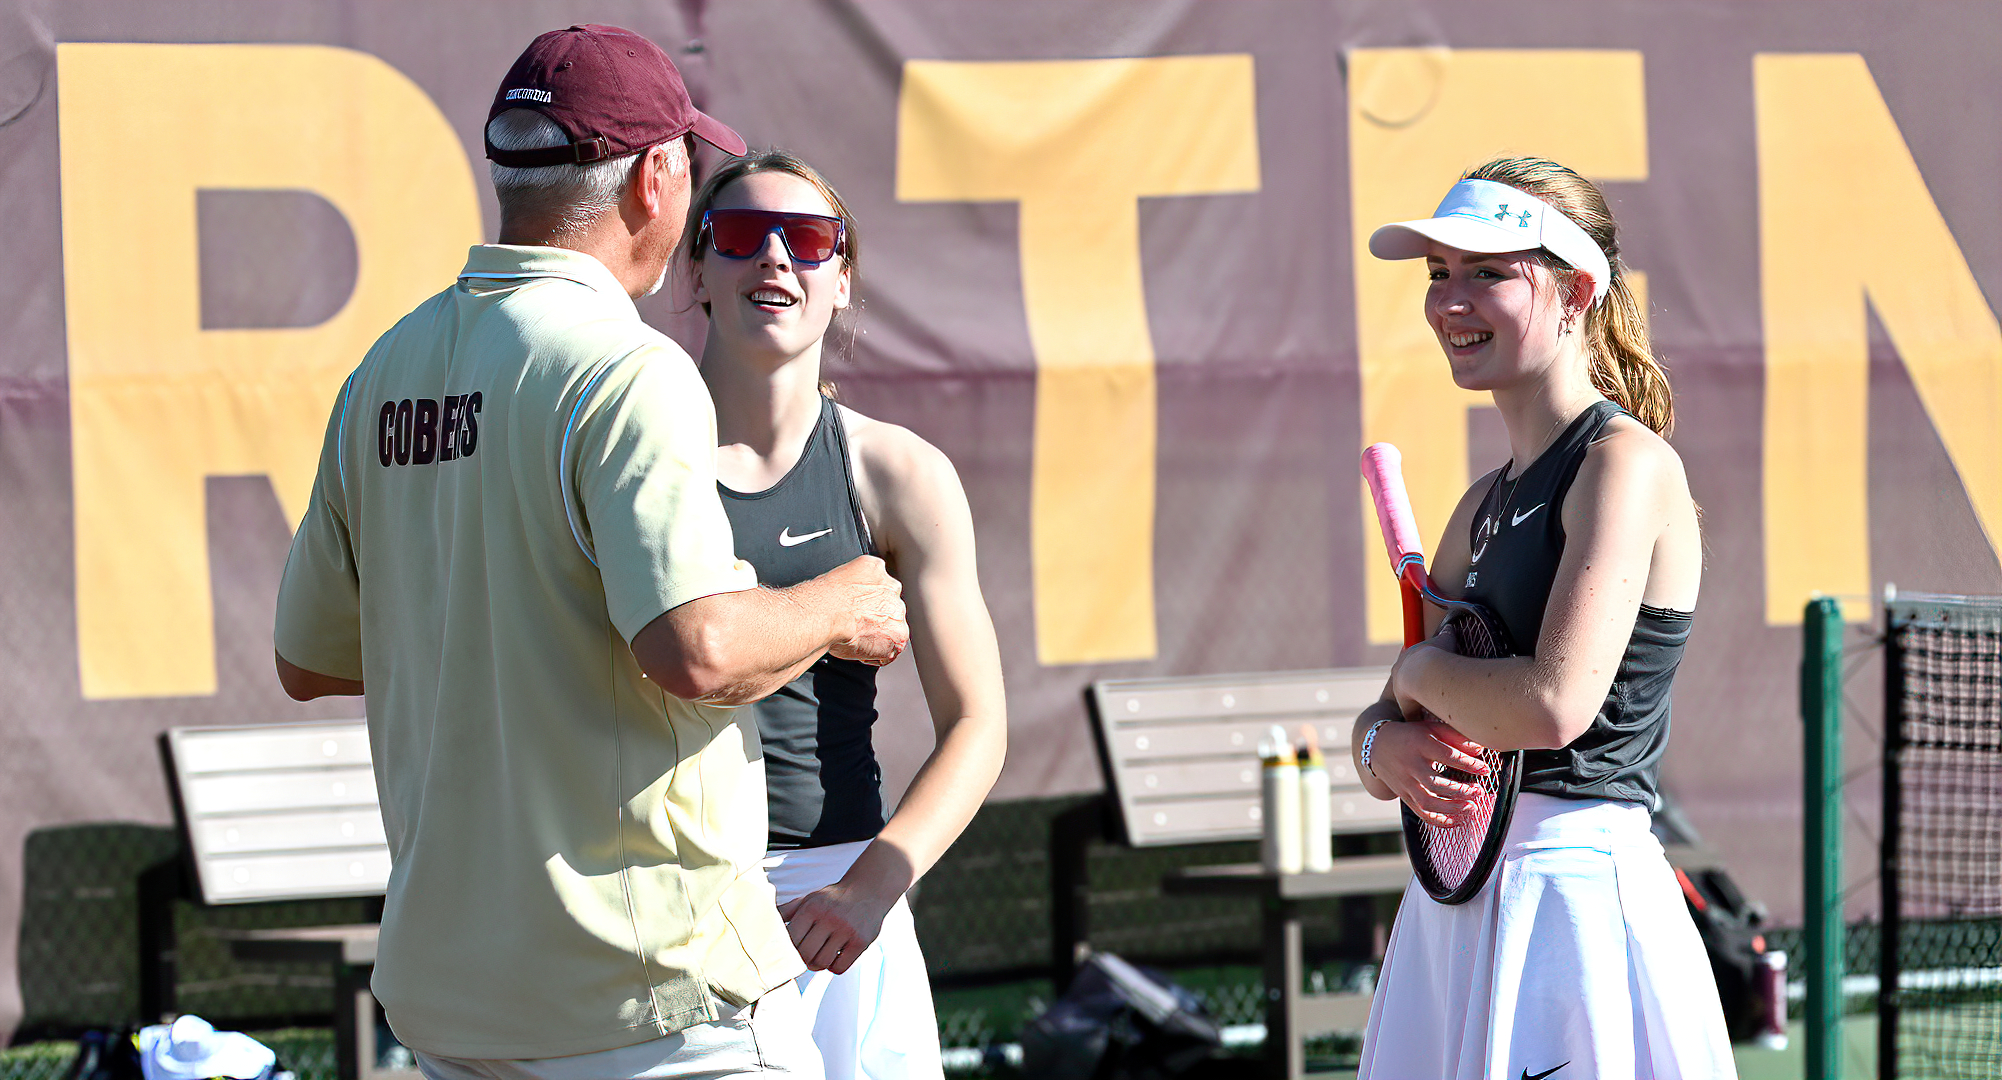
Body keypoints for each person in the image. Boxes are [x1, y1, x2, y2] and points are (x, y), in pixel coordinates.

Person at [273, 25, 909, 1080]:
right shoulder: (628, 367)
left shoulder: (383, 371)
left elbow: (311, 659)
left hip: (458, 1005)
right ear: (658, 177)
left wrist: (515, 627)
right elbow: (696, 650)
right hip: (650, 1002)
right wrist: (836, 605)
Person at [1349, 158, 1735, 1078]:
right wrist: (1382, 752)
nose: (1452, 300)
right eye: (1439, 273)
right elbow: (1389, 723)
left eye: (1489, 271)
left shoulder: (1625, 467)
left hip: (1575, 905)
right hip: (1457, 907)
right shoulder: (1482, 502)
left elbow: (1553, 704)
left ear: (1577, 292)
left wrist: (1411, 679)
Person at [683, 150, 1008, 1080]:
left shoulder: (897, 471)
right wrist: (822, 612)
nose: (776, 258)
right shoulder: (630, 456)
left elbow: (978, 725)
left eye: (810, 240)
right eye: (741, 236)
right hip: (671, 905)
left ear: (844, 277)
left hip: (839, 909)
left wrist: (871, 888)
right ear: (696, 270)